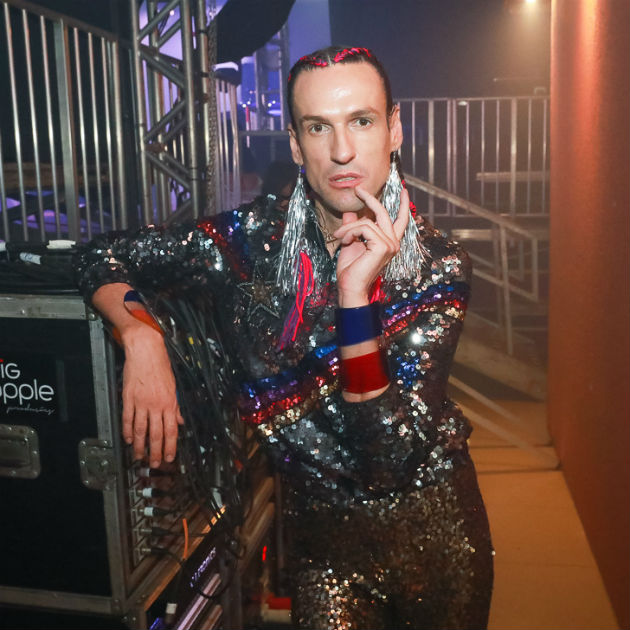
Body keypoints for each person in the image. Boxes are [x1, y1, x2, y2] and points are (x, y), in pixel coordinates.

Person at [76, 46, 493, 630]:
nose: (341, 151)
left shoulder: (439, 265)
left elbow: (386, 459)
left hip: (438, 536)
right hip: (324, 550)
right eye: (318, 127)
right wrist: (141, 336)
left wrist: (354, 301)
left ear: (393, 129)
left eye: (361, 121)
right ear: (296, 145)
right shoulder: (250, 243)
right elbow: (101, 255)